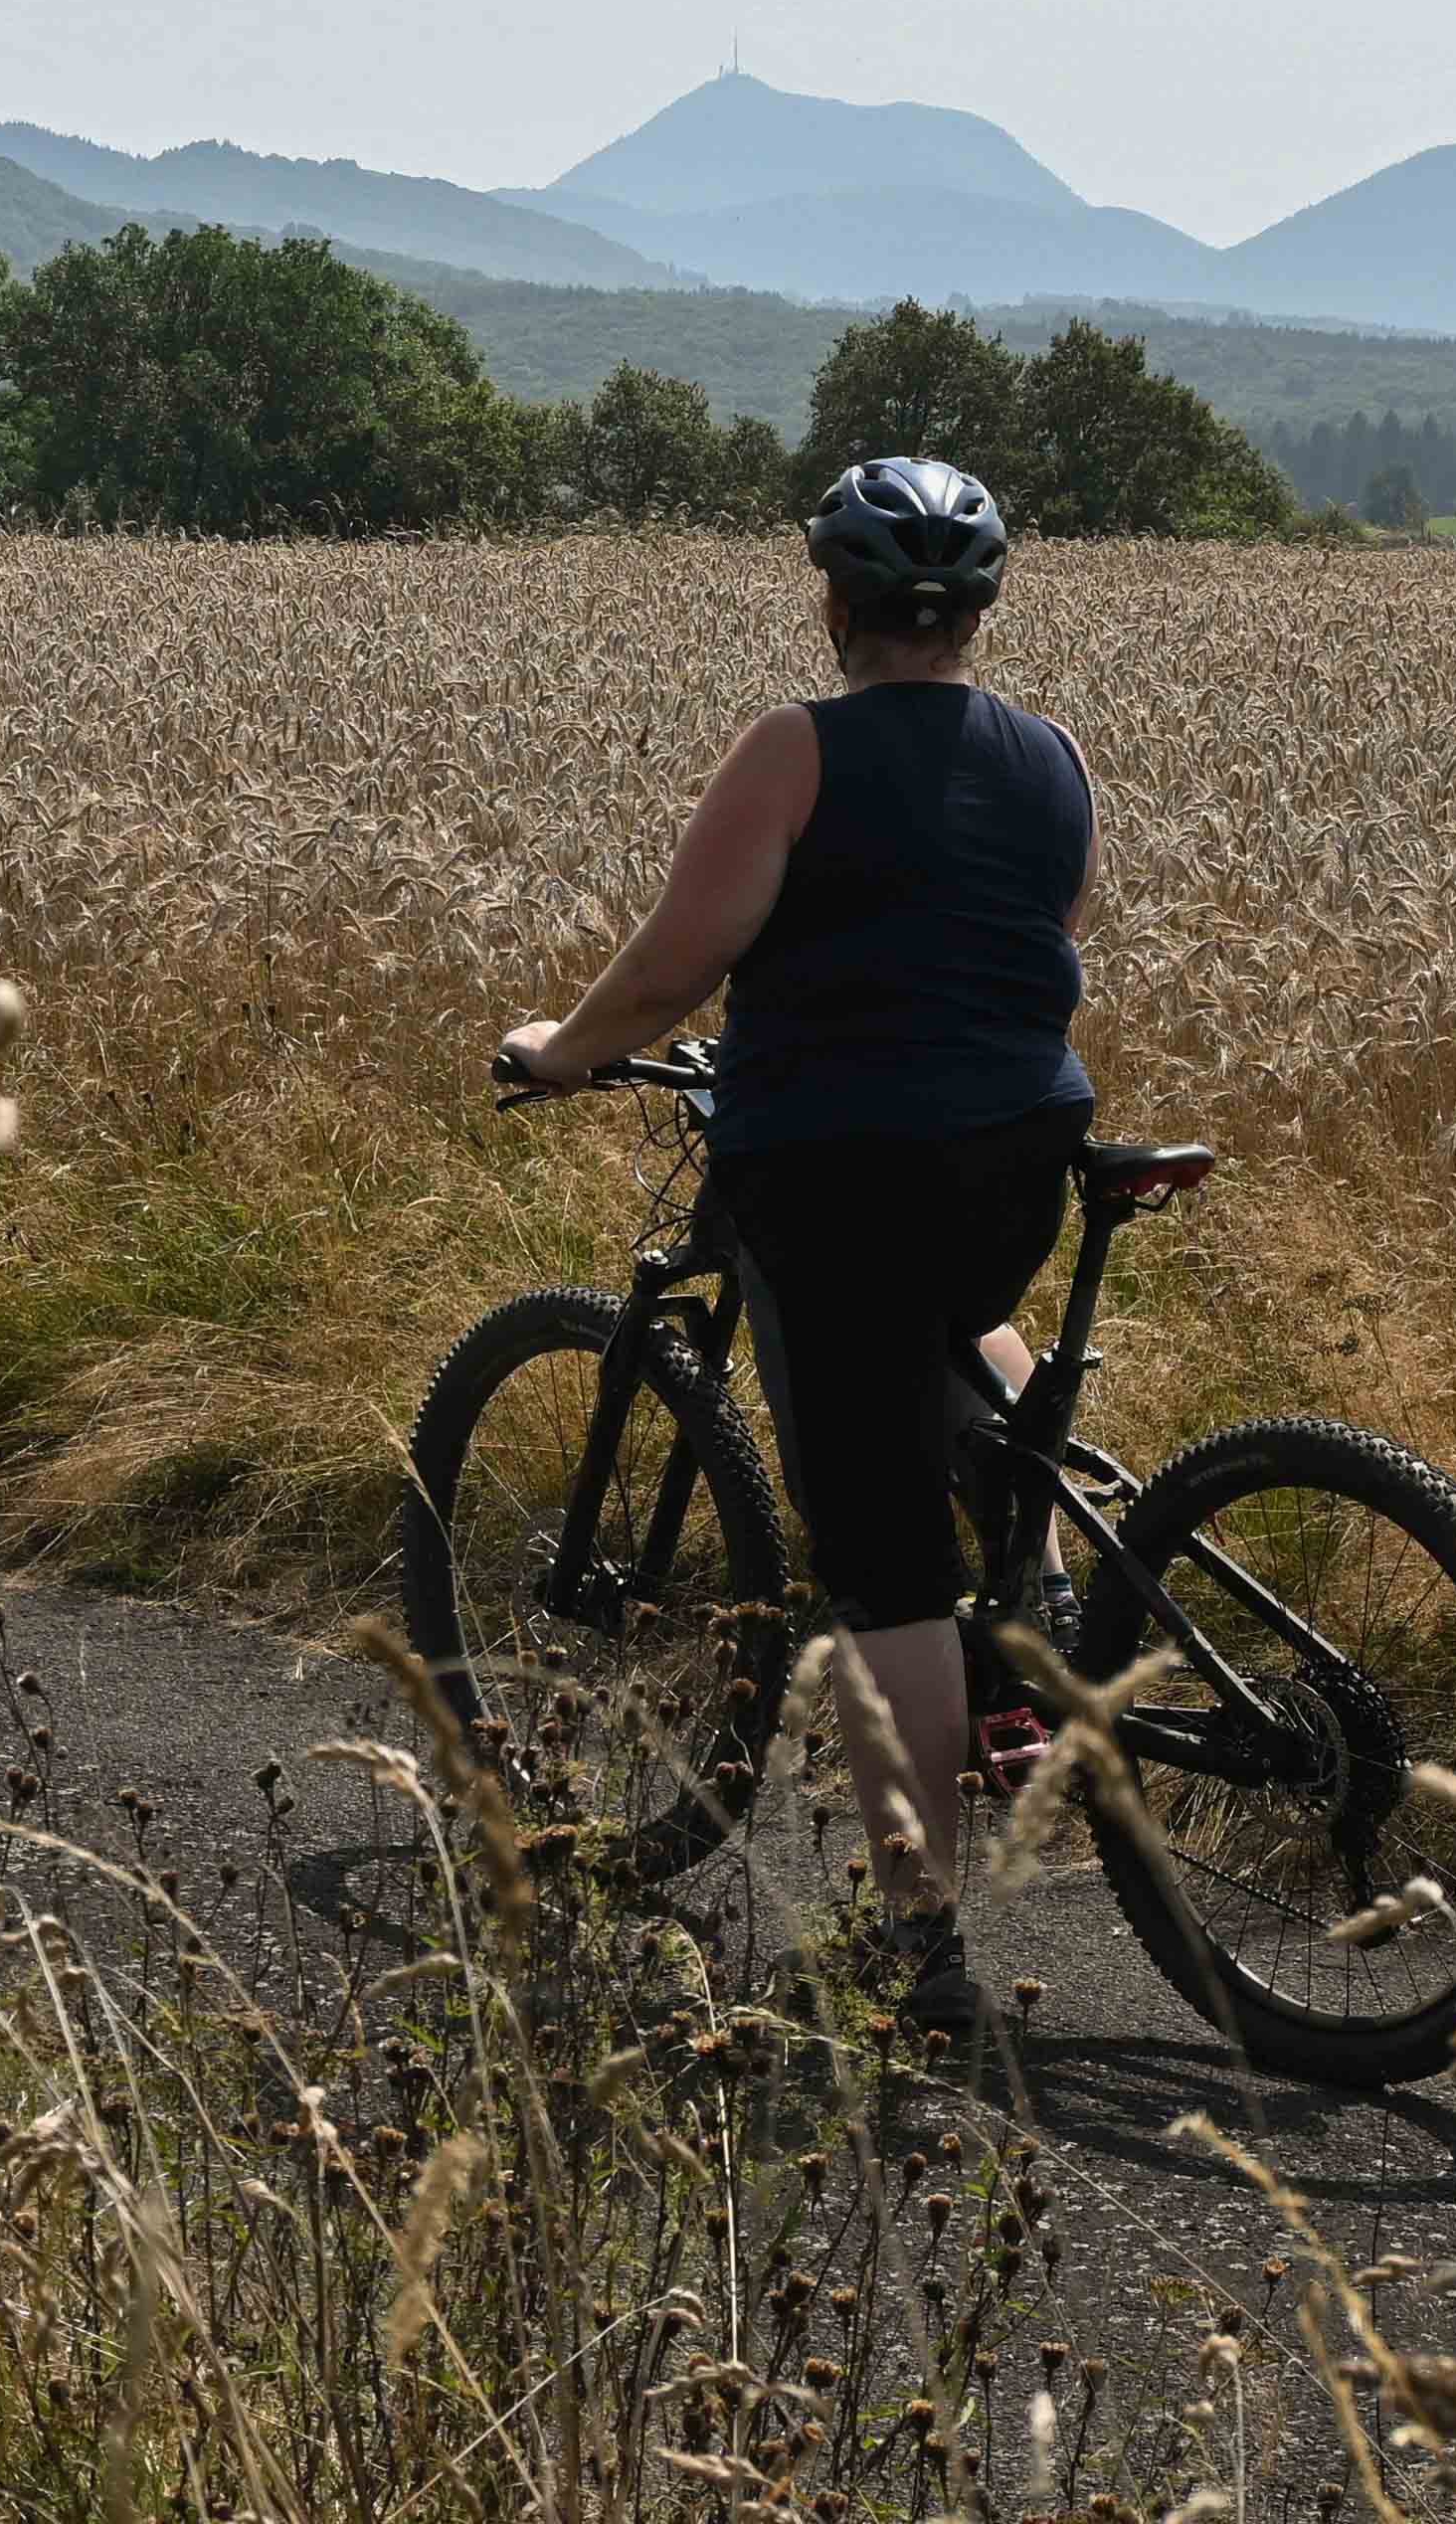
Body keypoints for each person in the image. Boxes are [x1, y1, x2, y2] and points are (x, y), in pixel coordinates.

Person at [495, 454, 1096, 2037]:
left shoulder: (793, 750)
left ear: (831, 602)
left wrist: (561, 1049)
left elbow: (677, 964)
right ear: (975, 612)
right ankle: (1036, 1586)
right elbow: (1040, 942)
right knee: (964, 1321)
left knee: (883, 1568)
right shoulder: (1052, 756)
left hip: (832, 1163)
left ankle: (922, 1948)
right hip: (1017, 1145)